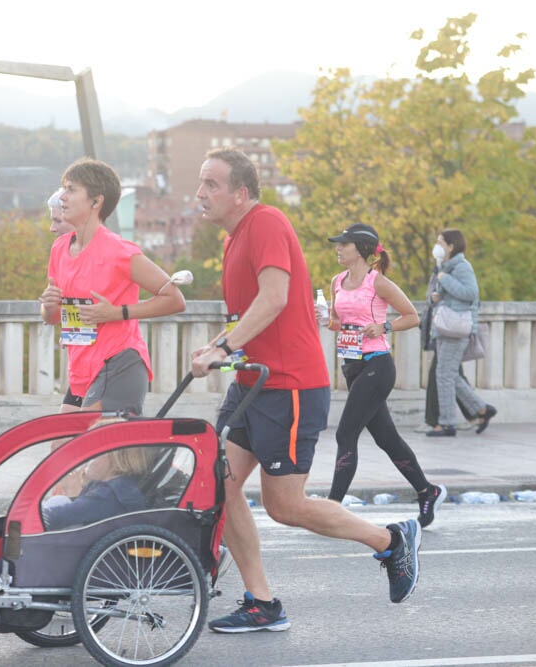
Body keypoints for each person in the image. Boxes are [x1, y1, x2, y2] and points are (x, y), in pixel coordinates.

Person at [190, 149, 423, 634]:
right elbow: (248, 317)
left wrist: (225, 345)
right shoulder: (234, 238)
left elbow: (274, 298)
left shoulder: (267, 222)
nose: (200, 193)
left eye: (212, 184)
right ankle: (262, 603)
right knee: (219, 480)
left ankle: (390, 539)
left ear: (241, 193)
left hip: (290, 387)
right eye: (200, 183)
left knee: (285, 505)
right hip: (253, 383)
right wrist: (216, 347)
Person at [39, 158, 185, 416]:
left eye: (71, 189)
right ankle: (158, 454)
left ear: (96, 201)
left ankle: (157, 452)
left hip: (119, 364)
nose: (62, 196)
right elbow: (52, 318)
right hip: (83, 369)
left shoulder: (119, 251)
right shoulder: (60, 248)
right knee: (62, 448)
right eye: (63, 189)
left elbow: (174, 299)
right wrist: (48, 307)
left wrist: (117, 313)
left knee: (97, 451)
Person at [323, 224, 447, 527]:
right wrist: (327, 319)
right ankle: (427, 491)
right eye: (338, 244)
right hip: (351, 365)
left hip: (377, 364)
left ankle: (331, 510)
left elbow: (411, 316)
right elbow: (339, 324)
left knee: (345, 433)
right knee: (387, 439)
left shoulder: (377, 282)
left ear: (362, 249)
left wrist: (385, 327)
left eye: (344, 244)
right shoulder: (337, 281)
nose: (338, 248)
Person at [426, 230, 496, 437]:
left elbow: (471, 293)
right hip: (444, 326)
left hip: (456, 328)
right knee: (447, 374)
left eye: (440, 242)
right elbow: (435, 296)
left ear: (451, 246)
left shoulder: (461, 267)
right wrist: (434, 298)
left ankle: (447, 423)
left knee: (445, 375)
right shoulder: (444, 267)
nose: (437, 245)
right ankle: (481, 409)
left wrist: (444, 280)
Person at [43, 445, 153, 530]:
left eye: (95, 452)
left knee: (53, 505)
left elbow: (58, 516)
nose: (88, 458)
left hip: (90, 551)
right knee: (59, 500)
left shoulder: (109, 495)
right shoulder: (122, 485)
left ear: (115, 458)